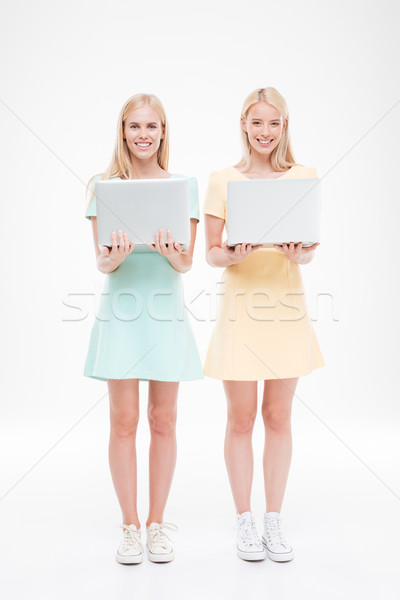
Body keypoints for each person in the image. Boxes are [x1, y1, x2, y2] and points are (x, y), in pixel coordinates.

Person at [203, 87, 325, 562]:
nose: (265, 132)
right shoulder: (222, 180)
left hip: (285, 306)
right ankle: (244, 521)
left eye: (274, 123)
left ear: (284, 127)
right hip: (242, 307)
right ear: (243, 124)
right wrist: (231, 253)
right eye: (258, 123)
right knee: (241, 417)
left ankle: (273, 518)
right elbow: (211, 252)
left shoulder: (302, 176)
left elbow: (311, 247)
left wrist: (303, 252)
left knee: (278, 416)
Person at [83, 93, 203, 564]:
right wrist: (112, 258)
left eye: (152, 127)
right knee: (124, 422)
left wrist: (172, 251)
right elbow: (102, 264)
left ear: (163, 133)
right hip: (123, 313)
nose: (144, 135)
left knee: (164, 421)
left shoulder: (182, 187)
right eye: (135, 127)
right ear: (123, 132)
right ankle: (129, 525)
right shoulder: (103, 186)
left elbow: (187, 263)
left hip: (164, 313)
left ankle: (156, 525)